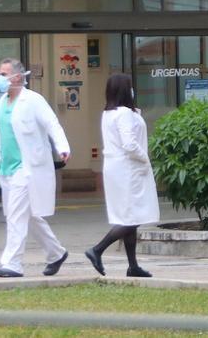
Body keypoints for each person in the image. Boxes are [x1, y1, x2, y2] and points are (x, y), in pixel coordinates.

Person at [0, 58, 72, 278]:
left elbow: (52, 124)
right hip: (6, 167)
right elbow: (1, 134)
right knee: (29, 215)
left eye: (4, 74)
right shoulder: (2, 102)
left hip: (27, 168)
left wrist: (62, 147)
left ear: (17, 77)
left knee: (16, 216)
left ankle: (12, 263)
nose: (0, 78)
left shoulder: (33, 100)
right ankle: (56, 253)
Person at [84, 73, 158, 278]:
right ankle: (97, 250)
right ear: (126, 90)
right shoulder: (124, 113)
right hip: (129, 169)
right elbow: (130, 143)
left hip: (116, 169)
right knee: (131, 218)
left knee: (129, 215)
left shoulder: (109, 113)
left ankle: (133, 266)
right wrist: (145, 158)